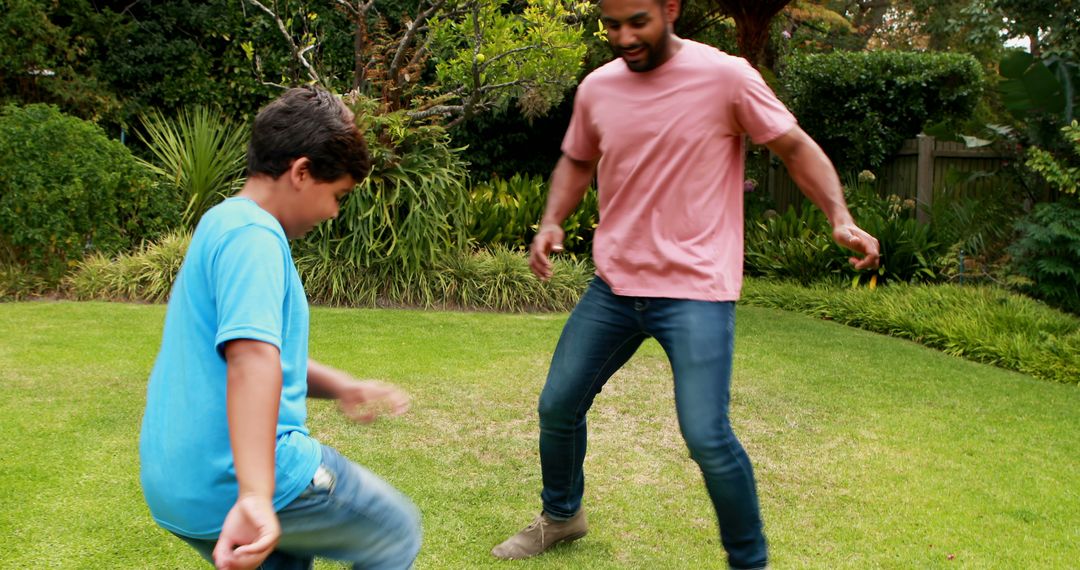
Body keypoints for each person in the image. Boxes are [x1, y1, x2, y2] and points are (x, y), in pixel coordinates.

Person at [490, 0, 880, 568]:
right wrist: (552, 220)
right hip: (616, 285)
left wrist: (839, 217)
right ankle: (561, 515)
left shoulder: (726, 76)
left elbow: (793, 146)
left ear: (670, 9)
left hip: (696, 289)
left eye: (637, 22)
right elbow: (577, 161)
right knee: (558, 404)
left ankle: (749, 561)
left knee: (705, 436)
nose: (623, 37)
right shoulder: (599, 88)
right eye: (611, 25)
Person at [139, 87, 421, 570]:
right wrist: (254, 494)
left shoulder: (222, 222)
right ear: (301, 172)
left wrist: (340, 385)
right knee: (393, 531)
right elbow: (251, 360)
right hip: (233, 479)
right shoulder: (255, 237)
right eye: (338, 196)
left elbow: (252, 352)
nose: (334, 213)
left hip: (180, 484)